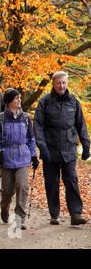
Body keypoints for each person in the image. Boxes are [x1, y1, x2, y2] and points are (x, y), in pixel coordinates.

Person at [34, 71, 90, 226]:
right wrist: (42, 146)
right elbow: (37, 125)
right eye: (59, 83)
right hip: (50, 150)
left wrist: (86, 145)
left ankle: (76, 213)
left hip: (69, 148)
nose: (61, 85)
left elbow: (81, 125)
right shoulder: (45, 101)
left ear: (67, 83)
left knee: (71, 180)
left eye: (64, 83)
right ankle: (54, 214)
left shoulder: (73, 101)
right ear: (53, 83)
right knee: (51, 183)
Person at [0, 88, 38, 230]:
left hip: (22, 156)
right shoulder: (0, 118)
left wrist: (34, 155)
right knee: (7, 191)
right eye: (16, 98)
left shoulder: (25, 118)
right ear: (9, 101)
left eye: (19, 98)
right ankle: (4, 208)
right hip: (6, 157)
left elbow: (31, 139)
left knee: (22, 186)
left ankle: (20, 218)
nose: (19, 100)